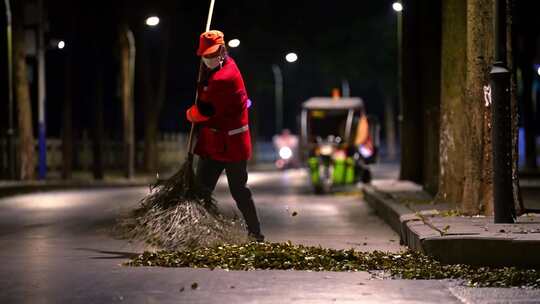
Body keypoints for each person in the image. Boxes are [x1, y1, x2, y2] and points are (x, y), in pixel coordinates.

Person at [186, 30, 264, 242]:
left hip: (234, 145)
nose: (208, 59)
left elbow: (204, 112)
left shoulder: (225, 77)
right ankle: (197, 235)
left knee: (239, 191)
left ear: (222, 51)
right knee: (201, 191)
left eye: (212, 55)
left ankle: (256, 234)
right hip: (214, 144)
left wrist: (190, 114)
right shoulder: (221, 66)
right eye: (205, 56)